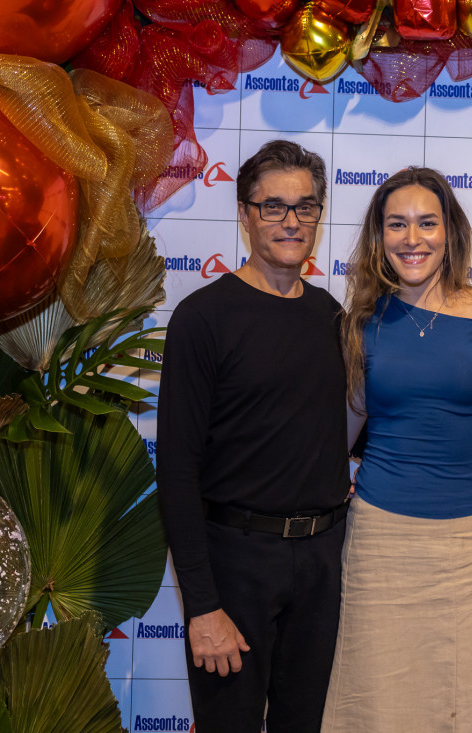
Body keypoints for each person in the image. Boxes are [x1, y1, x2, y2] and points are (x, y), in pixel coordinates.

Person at [156, 140, 349, 733]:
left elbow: (348, 432)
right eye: (273, 207)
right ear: (245, 214)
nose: (291, 221)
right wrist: (202, 606)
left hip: (321, 563)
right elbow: (177, 471)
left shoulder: (333, 318)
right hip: (233, 564)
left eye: (305, 206)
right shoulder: (203, 318)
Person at [322, 167, 472, 731]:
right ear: (379, 236)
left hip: (469, 542)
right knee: (373, 702)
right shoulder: (362, 323)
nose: (413, 238)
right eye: (397, 224)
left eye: (427, 223)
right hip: (378, 538)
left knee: (460, 701)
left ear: (450, 231)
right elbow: (343, 433)